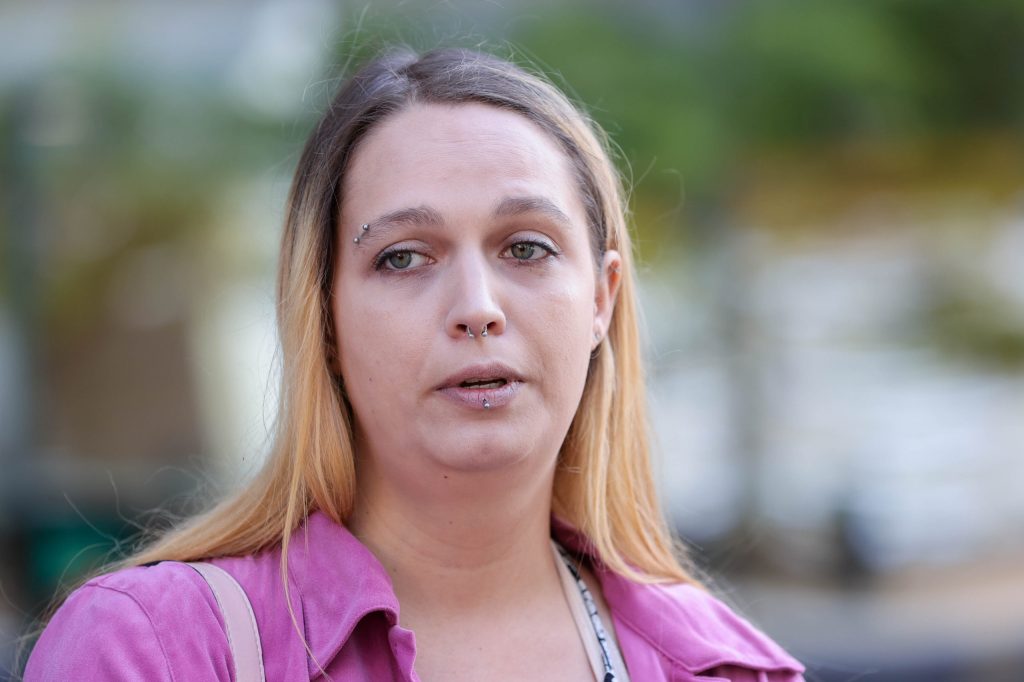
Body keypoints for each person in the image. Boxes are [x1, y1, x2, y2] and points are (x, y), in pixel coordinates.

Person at [24, 47, 804, 681]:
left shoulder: (730, 670)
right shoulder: (153, 652)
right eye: (403, 257)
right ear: (324, 319)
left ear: (601, 300)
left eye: (526, 247)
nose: (477, 306)